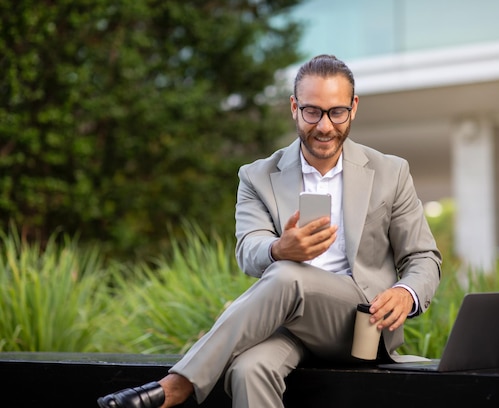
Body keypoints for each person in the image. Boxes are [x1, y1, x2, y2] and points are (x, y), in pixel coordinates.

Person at [97, 54, 442, 408]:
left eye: (336, 112)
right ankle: (185, 381)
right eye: (312, 111)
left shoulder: (391, 172)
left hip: (362, 328)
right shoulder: (256, 176)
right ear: (294, 107)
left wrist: (406, 292)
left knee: (287, 275)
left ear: (353, 108)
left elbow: (423, 258)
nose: (324, 126)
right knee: (249, 370)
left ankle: (178, 384)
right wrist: (278, 248)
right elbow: (249, 249)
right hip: (290, 327)